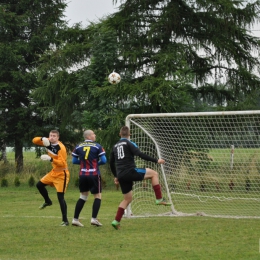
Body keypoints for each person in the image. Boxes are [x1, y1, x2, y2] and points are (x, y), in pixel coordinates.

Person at [109, 126, 171, 230]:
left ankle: (116, 221)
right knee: (154, 174)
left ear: (120, 134)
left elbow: (111, 162)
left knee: (127, 199)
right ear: (129, 135)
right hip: (130, 171)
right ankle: (159, 198)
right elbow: (140, 154)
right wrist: (156, 160)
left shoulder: (115, 146)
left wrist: (116, 176)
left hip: (121, 174)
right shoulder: (129, 143)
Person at [32, 130, 70, 226]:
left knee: (60, 197)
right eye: (50, 135)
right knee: (39, 185)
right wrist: (42, 138)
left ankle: (65, 220)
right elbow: (34, 140)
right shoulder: (48, 141)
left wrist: (51, 159)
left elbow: (63, 163)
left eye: (54, 136)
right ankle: (48, 201)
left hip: (62, 173)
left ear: (58, 137)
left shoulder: (61, 148)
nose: (51, 137)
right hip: (54, 172)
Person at [71, 130, 107, 227]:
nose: (95, 135)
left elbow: (74, 161)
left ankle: (75, 219)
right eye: (93, 134)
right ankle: (94, 219)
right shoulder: (97, 146)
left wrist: (83, 163)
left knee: (83, 196)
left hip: (82, 174)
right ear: (89, 136)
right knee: (98, 196)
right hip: (94, 174)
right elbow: (104, 160)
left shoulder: (78, 146)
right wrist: (95, 164)